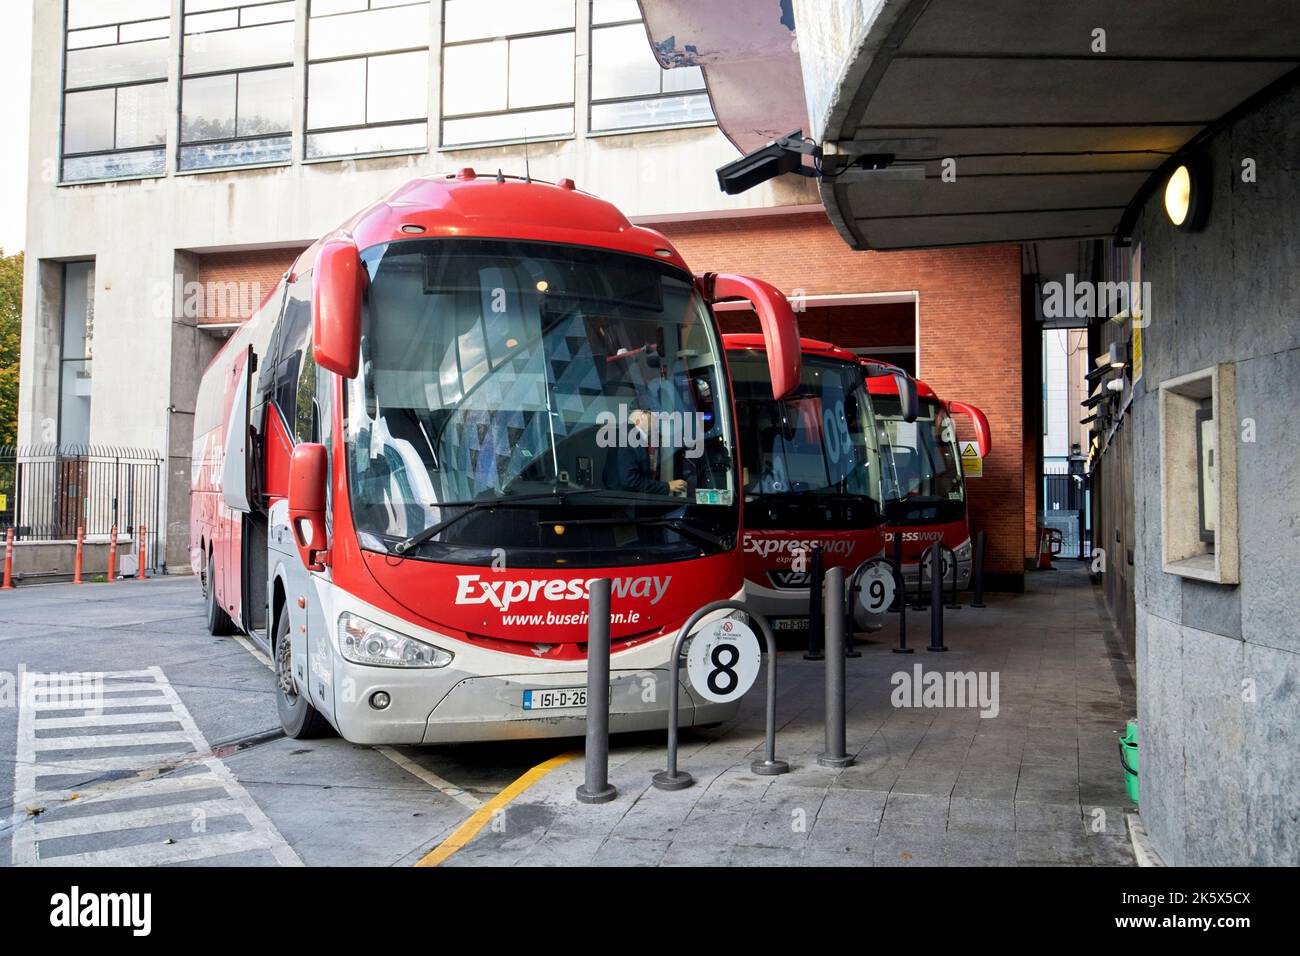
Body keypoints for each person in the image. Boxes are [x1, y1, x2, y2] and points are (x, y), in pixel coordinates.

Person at [604, 408, 687, 496]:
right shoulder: (631, 437)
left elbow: (609, 477)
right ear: (643, 414)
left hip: (620, 502)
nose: (658, 421)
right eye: (656, 416)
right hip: (627, 505)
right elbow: (630, 481)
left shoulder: (626, 433)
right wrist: (667, 486)